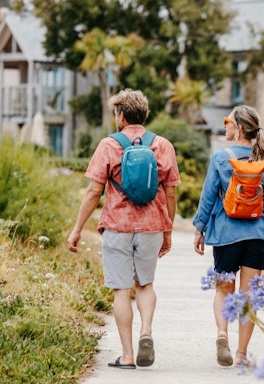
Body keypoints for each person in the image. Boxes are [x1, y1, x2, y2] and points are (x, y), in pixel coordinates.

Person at [66, 89, 180, 369]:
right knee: (146, 284)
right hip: (152, 225)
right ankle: (146, 332)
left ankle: (128, 354)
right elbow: (171, 194)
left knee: (121, 290)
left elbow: (94, 191)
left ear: (122, 115)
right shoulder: (162, 145)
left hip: (117, 226)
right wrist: (168, 230)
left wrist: (78, 229)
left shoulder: (109, 145)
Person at [192, 105, 264, 368]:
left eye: (228, 121)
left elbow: (208, 196)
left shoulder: (221, 158)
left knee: (223, 290)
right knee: (248, 296)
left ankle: (222, 333)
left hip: (225, 234)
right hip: (257, 235)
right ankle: (242, 354)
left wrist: (199, 228)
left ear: (239, 128)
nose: (226, 126)